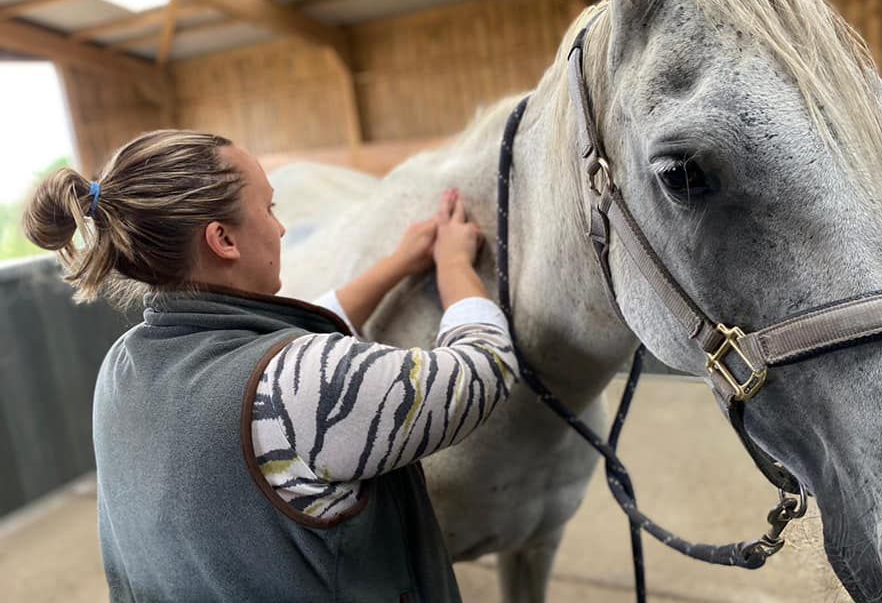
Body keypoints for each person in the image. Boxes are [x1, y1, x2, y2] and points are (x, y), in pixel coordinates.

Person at [22, 129, 520, 603]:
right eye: (268, 207)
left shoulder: (123, 363)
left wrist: (396, 264)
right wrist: (454, 266)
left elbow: (278, 360)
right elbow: (482, 368)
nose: (280, 227)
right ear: (223, 239)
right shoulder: (298, 383)